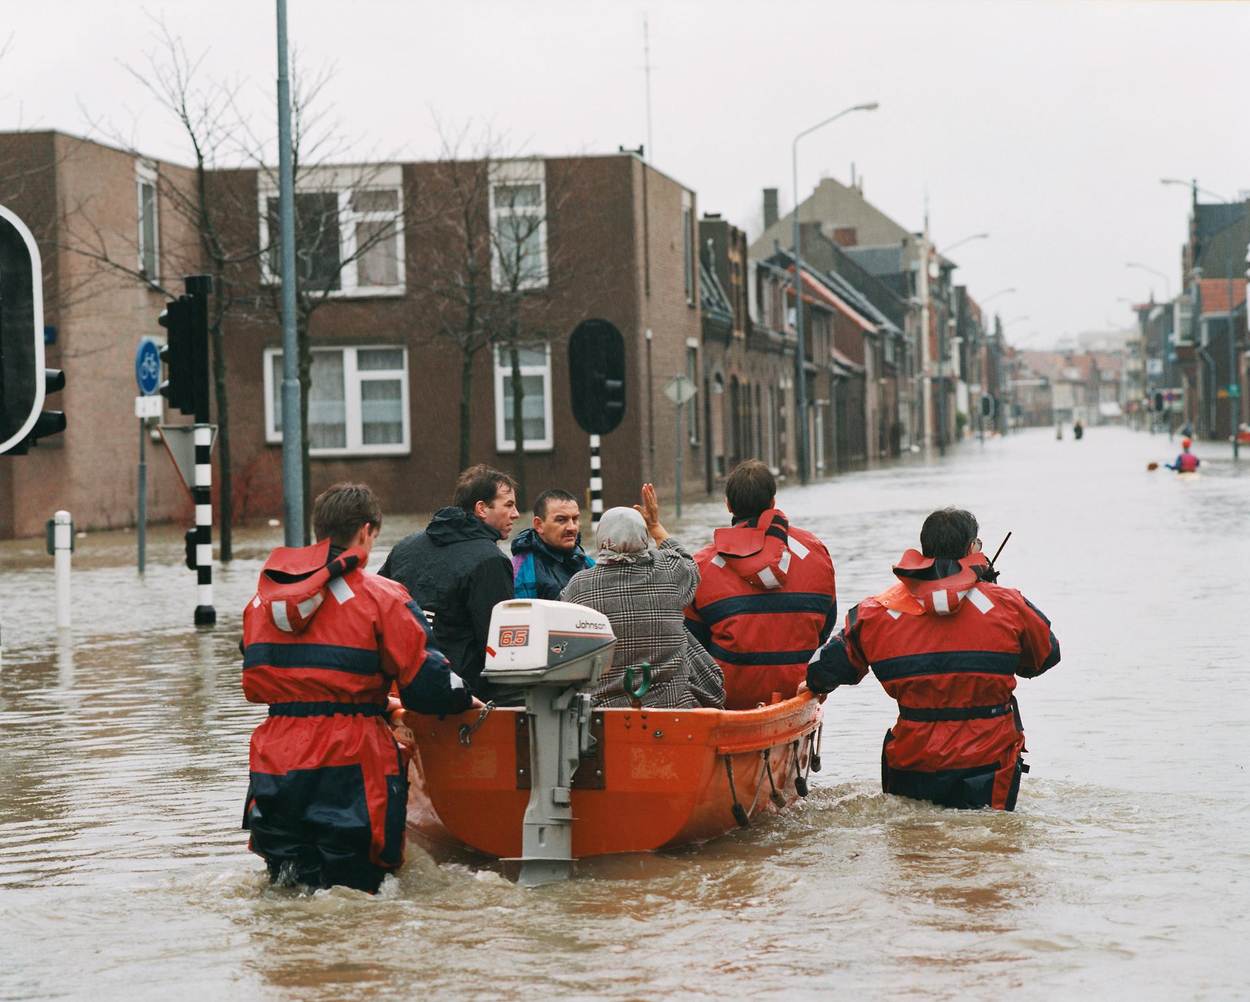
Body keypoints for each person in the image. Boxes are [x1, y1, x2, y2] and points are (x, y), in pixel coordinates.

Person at [241, 483, 474, 892]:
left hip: (275, 757)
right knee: (356, 888)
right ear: (367, 532)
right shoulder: (381, 596)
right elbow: (427, 685)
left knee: (286, 886)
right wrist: (464, 696)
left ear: (319, 532)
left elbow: (280, 674)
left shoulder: (264, 603)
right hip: (351, 758)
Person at [806, 508, 1060, 811]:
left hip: (912, 765)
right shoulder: (1008, 604)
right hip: (989, 767)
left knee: (916, 854)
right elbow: (1045, 656)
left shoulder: (876, 612)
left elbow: (821, 671)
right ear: (970, 550)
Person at [684, 460, 837, 710]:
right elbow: (824, 627)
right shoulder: (815, 552)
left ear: (728, 505)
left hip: (727, 703)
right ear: (773, 502)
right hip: (796, 695)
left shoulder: (701, 567)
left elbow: (694, 647)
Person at [560, 485, 724, 709]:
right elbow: (688, 562)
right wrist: (656, 526)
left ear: (600, 541)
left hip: (605, 710)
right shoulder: (670, 570)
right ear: (643, 538)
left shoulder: (578, 586)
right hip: (674, 707)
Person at [379, 465, 519, 698]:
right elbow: (498, 646)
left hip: (400, 685)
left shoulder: (406, 546)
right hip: (461, 694)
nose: (515, 513)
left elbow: (379, 609)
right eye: (509, 505)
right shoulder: (490, 561)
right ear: (482, 509)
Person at [511, 489, 595, 600]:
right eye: (561, 520)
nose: (572, 527)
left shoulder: (588, 563)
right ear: (539, 525)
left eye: (575, 519)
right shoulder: (522, 568)